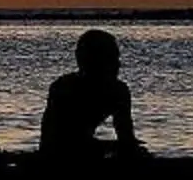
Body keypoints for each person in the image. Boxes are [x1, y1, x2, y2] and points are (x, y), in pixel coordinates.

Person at [41, 28, 146, 160]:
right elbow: (52, 139)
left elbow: (125, 135)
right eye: (112, 58)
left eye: (116, 58)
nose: (118, 64)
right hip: (61, 154)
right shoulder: (64, 88)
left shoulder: (119, 91)